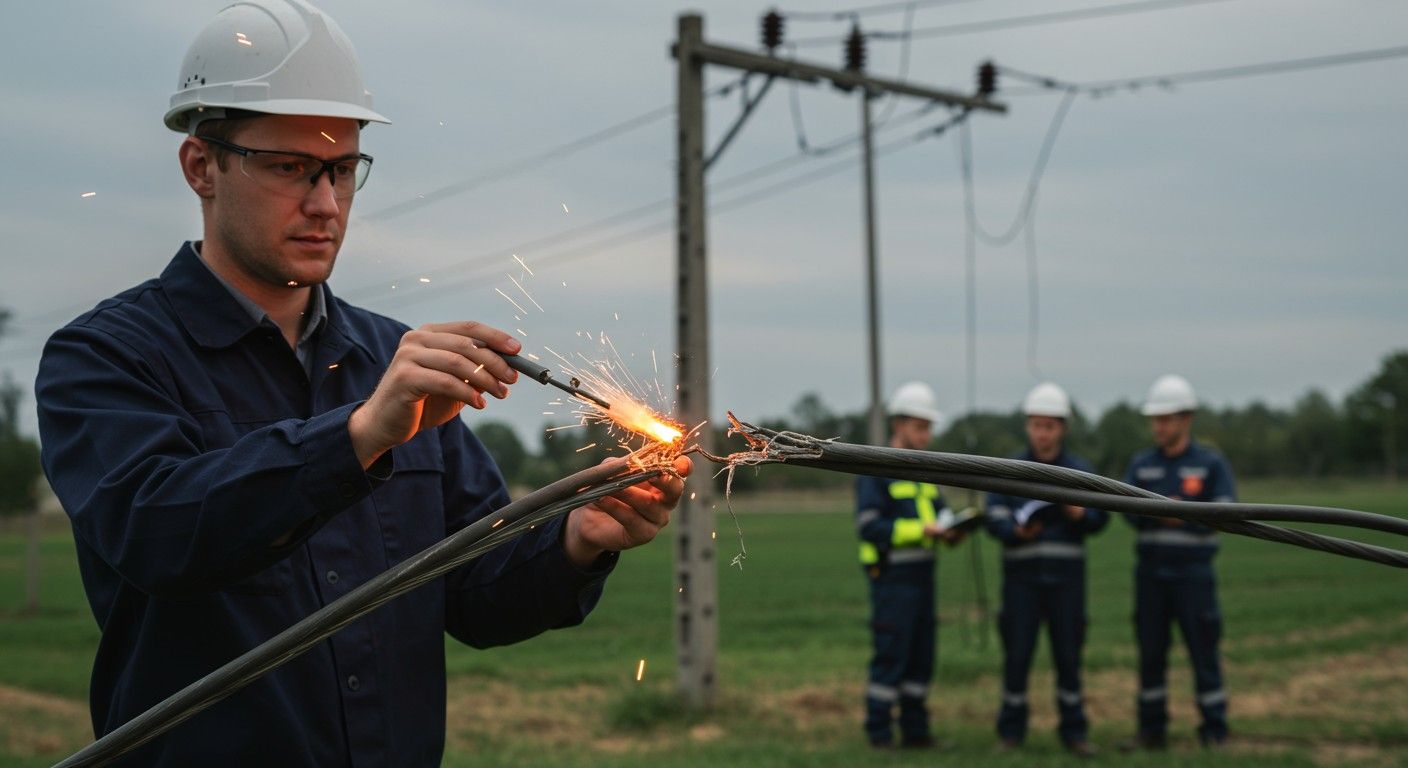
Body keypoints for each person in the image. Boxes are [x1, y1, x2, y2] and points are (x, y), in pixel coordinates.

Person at [34, 2, 689, 765]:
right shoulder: (105, 357)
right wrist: (361, 435)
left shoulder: (389, 357)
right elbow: (158, 536)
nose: (325, 204)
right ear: (200, 166)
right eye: (289, 168)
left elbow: (473, 591)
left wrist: (576, 541)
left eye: (343, 170)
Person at [985, 382, 1107, 756]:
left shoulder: (1080, 471)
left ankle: (1074, 733)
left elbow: (1102, 517)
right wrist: (1013, 530)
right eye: (1036, 425)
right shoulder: (1008, 469)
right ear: (1027, 426)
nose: (1042, 433)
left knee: (1069, 660)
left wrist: (1081, 514)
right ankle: (1011, 733)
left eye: (1049, 426)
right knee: (1017, 658)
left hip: (1066, 584)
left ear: (1063, 428)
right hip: (1021, 583)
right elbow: (993, 514)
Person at [1120, 374, 1234, 750]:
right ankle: (1151, 732)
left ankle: (1214, 732)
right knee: (1151, 656)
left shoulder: (1209, 463)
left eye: (1166, 419)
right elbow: (1123, 510)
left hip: (1193, 577)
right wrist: (1153, 513)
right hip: (1151, 576)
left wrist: (1184, 514)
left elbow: (1227, 512)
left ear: (1186, 419)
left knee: (1204, 654)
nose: (1159, 426)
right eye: (1155, 419)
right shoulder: (1142, 465)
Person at [854, 381, 964, 749]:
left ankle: (917, 734)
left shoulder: (927, 469)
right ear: (898, 424)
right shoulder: (877, 467)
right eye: (920, 426)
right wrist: (924, 530)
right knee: (891, 656)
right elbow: (870, 527)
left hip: (923, 577)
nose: (926, 434)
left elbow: (941, 511)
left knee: (921, 659)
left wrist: (952, 529)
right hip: (892, 579)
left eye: (929, 427)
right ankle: (880, 735)